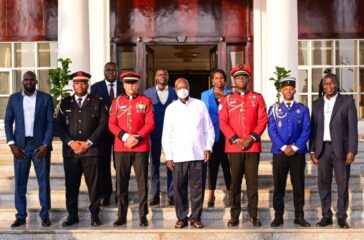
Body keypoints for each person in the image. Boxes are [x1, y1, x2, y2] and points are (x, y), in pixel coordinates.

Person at [56, 71, 108, 227]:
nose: (80, 85)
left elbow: (103, 124)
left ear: (88, 84)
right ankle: (72, 215)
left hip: (91, 152)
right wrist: (71, 142)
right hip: (71, 153)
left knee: (94, 186)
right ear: (73, 84)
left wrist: (88, 143)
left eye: (83, 82)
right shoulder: (65, 103)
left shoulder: (97, 102)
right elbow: (58, 125)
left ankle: (94, 216)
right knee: (71, 186)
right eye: (77, 82)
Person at [219, 64, 268, 227]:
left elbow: (262, 120)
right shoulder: (227, 99)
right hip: (234, 147)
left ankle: (253, 215)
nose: (241, 79)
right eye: (239, 77)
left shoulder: (258, 98)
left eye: (244, 77)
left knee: (252, 182)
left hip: (252, 146)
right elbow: (223, 122)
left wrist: (251, 138)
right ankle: (234, 215)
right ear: (234, 80)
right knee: (235, 182)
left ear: (248, 79)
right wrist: (236, 139)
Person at [162, 78, 215, 229]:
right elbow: (166, 135)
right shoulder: (171, 109)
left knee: (198, 189)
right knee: (179, 189)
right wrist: (169, 156)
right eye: (179, 87)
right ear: (175, 90)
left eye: (185, 86)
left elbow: (208, 129)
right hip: (178, 157)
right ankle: (181, 217)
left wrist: (208, 147)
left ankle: (196, 217)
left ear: (189, 87)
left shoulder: (200, 105)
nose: (182, 89)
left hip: (198, 154)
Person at [5, 71, 54, 228]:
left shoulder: (46, 99)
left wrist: (46, 144)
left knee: (43, 182)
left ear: (36, 81)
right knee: (20, 183)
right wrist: (12, 144)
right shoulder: (14, 99)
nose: (28, 81)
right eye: (26, 79)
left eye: (31, 79)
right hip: (20, 147)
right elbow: (7, 122)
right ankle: (20, 215)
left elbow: (50, 123)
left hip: (40, 147)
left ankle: (45, 215)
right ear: (22, 82)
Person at [310, 73, 358, 229]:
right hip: (322, 149)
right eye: (325, 84)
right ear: (322, 86)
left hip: (341, 150)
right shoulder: (316, 104)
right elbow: (313, 129)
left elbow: (353, 128)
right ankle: (326, 216)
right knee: (323, 184)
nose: (328, 86)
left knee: (342, 185)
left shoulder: (347, 102)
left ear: (336, 84)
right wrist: (312, 150)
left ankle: (342, 217)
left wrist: (352, 150)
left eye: (331, 83)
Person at [109, 72, 155, 227]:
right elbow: (111, 124)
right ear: (123, 84)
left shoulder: (146, 101)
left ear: (138, 84)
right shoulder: (116, 102)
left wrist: (137, 137)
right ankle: (121, 214)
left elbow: (150, 123)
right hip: (121, 147)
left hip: (140, 147)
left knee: (142, 182)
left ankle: (143, 215)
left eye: (134, 83)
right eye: (128, 83)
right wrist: (125, 137)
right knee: (121, 182)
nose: (131, 86)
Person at [268, 77, 311, 227]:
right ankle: (278, 216)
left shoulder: (303, 109)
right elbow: (272, 130)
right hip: (280, 154)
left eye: (291, 88)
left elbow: (306, 130)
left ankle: (299, 216)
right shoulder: (274, 109)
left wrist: (294, 147)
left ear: (294, 90)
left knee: (298, 184)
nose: (288, 91)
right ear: (281, 91)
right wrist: (283, 147)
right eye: (285, 89)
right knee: (279, 185)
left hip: (297, 154)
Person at [90, 62, 125, 206]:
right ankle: (105, 194)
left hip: (120, 132)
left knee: (120, 164)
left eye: (113, 70)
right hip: (102, 132)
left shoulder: (124, 87)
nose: (111, 72)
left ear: (117, 71)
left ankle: (120, 193)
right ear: (104, 71)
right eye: (108, 70)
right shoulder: (95, 88)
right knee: (103, 165)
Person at [144, 69, 177, 206]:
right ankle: (155, 194)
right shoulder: (147, 93)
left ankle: (171, 193)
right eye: (159, 75)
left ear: (168, 77)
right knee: (154, 165)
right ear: (155, 77)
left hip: (172, 134)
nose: (162, 77)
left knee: (172, 164)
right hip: (154, 133)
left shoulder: (175, 92)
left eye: (165, 75)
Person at [201, 69, 231, 208]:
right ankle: (211, 193)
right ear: (212, 80)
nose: (219, 80)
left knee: (227, 166)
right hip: (212, 134)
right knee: (212, 166)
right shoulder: (205, 95)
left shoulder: (230, 94)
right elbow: (203, 115)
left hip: (228, 135)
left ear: (224, 80)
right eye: (216, 78)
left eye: (221, 78)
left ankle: (231, 192)